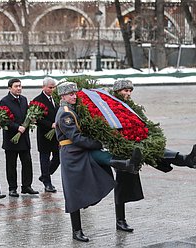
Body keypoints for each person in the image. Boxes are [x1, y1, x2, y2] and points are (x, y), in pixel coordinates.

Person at [55, 82, 142, 242]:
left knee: (101, 158)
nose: (74, 96)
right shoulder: (65, 113)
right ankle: (76, 231)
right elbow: (75, 138)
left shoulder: (72, 110)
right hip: (72, 155)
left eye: (75, 93)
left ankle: (126, 164)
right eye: (71, 94)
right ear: (63, 96)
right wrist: (97, 142)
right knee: (73, 193)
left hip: (79, 152)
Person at [110, 79, 196, 232]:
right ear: (117, 91)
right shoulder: (109, 106)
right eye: (125, 91)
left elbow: (143, 124)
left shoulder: (132, 107)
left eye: (130, 91)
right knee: (122, 184)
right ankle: (120, 220)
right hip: (121, 148)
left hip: (136, 143)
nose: (128, 94)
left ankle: (186, 159)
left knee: (157, 151)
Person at [0, 78, 38, 197]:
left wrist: (30, 120)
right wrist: (16, 127)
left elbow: (26, 114)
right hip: (12, 138)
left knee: (27, 162)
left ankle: (26, 186)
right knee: (11, 164)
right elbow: (3, 119)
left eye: (20, 86)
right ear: (10, 88)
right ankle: (12, 188)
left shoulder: (23, 99)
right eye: (16, 86)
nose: (19, 88)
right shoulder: (4, 101)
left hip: (24, 137)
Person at [33, 77, 60, 193]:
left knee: (58, 157)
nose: (52, 89)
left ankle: (45, 175)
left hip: (56, 135)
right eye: (50, 87)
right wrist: (50, 125)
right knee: (44, 158)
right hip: (44, 134)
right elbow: (37, 119)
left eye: (54, 87)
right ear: (43, 87)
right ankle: (47, 183)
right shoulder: (37, 100)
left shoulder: (56, 99)